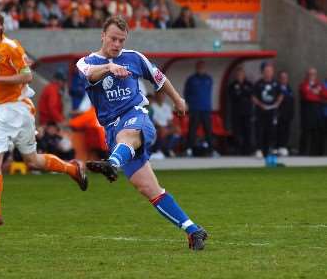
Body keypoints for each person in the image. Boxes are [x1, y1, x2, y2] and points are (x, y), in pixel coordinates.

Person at [76, 16, 207, 250]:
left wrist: (177, 99)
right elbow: (89, 74)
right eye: (113, 39)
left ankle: (112, 163)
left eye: (121, 40)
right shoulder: (86, 62)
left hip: (136, 116)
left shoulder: (134, 58)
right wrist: (109, 67)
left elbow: (159, 78)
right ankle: (193, 230)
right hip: (112, 129)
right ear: (103, 35)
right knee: (149, 189)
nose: (117, 44)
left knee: (127, 135)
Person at [0, 7, 87, 226]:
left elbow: (27, 75)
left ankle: (72, 168)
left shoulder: (12, 47)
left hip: (19, 109)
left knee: (32, 161)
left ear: (1, 25)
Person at [252, 62, 283, 158]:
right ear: (263, 72)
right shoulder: (258, 83)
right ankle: (259, 149)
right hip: (261, 111)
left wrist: (277, 103)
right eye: (266, 71)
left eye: (270, 71)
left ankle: (269, 149)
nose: (268, 73)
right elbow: (253, 97)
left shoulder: (276, 84)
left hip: (272, 111)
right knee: (260, 130)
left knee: (271, 130)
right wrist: (260, 104)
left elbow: (281, 95)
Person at [184, 60, 213, 157]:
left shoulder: (209, 79)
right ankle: (189, 149)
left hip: (206, 109)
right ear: (196, 68)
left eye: (203, 67)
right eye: (199, 67)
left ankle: (211, 150)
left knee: (208, 130)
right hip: (194, 108)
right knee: (192, 129)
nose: (201, 69)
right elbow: (186, 93)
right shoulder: (191, 79)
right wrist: (189, 104)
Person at [227, 66, 253, 155]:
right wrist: (242, 95)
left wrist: (241, 94)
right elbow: (233, 97)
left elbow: (251, 96)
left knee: (247, 131)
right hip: (236, 113)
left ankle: (247, 150)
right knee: (237, 132)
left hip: (247, 112)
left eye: (241, 74)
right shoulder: (232, 85)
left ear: (244, 75)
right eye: (238, 74)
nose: (240, 76)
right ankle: (237, 149)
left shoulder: (249, 84)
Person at [276, 71, 294, 156]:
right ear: (279, 79)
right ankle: (277, 147)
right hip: (279, 114)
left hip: (288, 115)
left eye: (285, 78)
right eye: (282, 78)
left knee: (286, 131)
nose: (284, 79)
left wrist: (291, 113)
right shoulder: (277, 88)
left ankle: (284, 147)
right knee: (279, 131)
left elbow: (292, 101)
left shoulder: (289, 89)